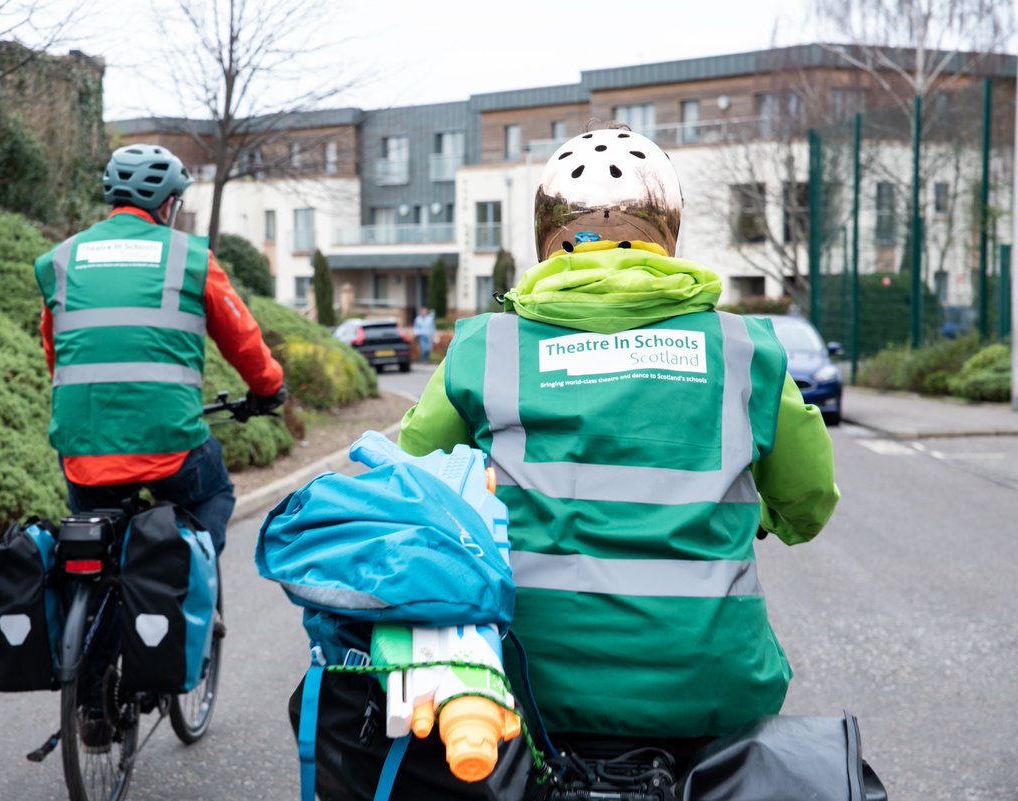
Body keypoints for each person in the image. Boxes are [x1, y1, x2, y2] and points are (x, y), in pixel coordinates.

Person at [290, 124, 839, 800]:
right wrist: (767, 515)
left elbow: (406, 485)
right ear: (668, 230)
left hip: (520, 687)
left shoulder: (485, 348)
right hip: (710, 683)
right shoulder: (743, 349)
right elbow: (809, 502)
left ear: (545, 233)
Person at [34, 143, 286, 559]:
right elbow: (243, 341)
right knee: (213, 492)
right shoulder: (190, 259)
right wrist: (269, 387)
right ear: (168, 202)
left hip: (83, 445)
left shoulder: (59, 261)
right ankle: (190, 584)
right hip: (171, 446)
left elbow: (56, 358)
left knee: (92, 543)